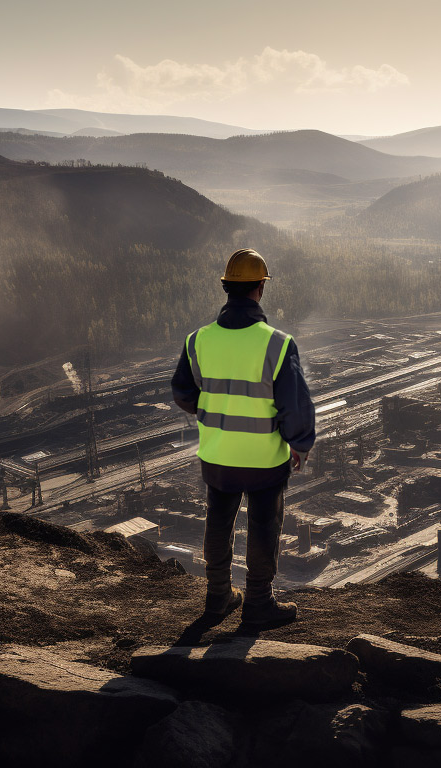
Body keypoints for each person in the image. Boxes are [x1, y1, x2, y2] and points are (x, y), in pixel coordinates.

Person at [171, 248, 315, 627]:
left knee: (218, 521)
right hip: (264, 459)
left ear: (226, 288)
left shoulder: (198, 340)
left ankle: (218, 597)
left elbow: (183, 393)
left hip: (217, 454)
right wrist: (299, 443)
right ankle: (258, 604)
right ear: (259, 290)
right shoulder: (277, 343)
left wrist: (212, 413)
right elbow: (294, 404)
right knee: (264, 524)